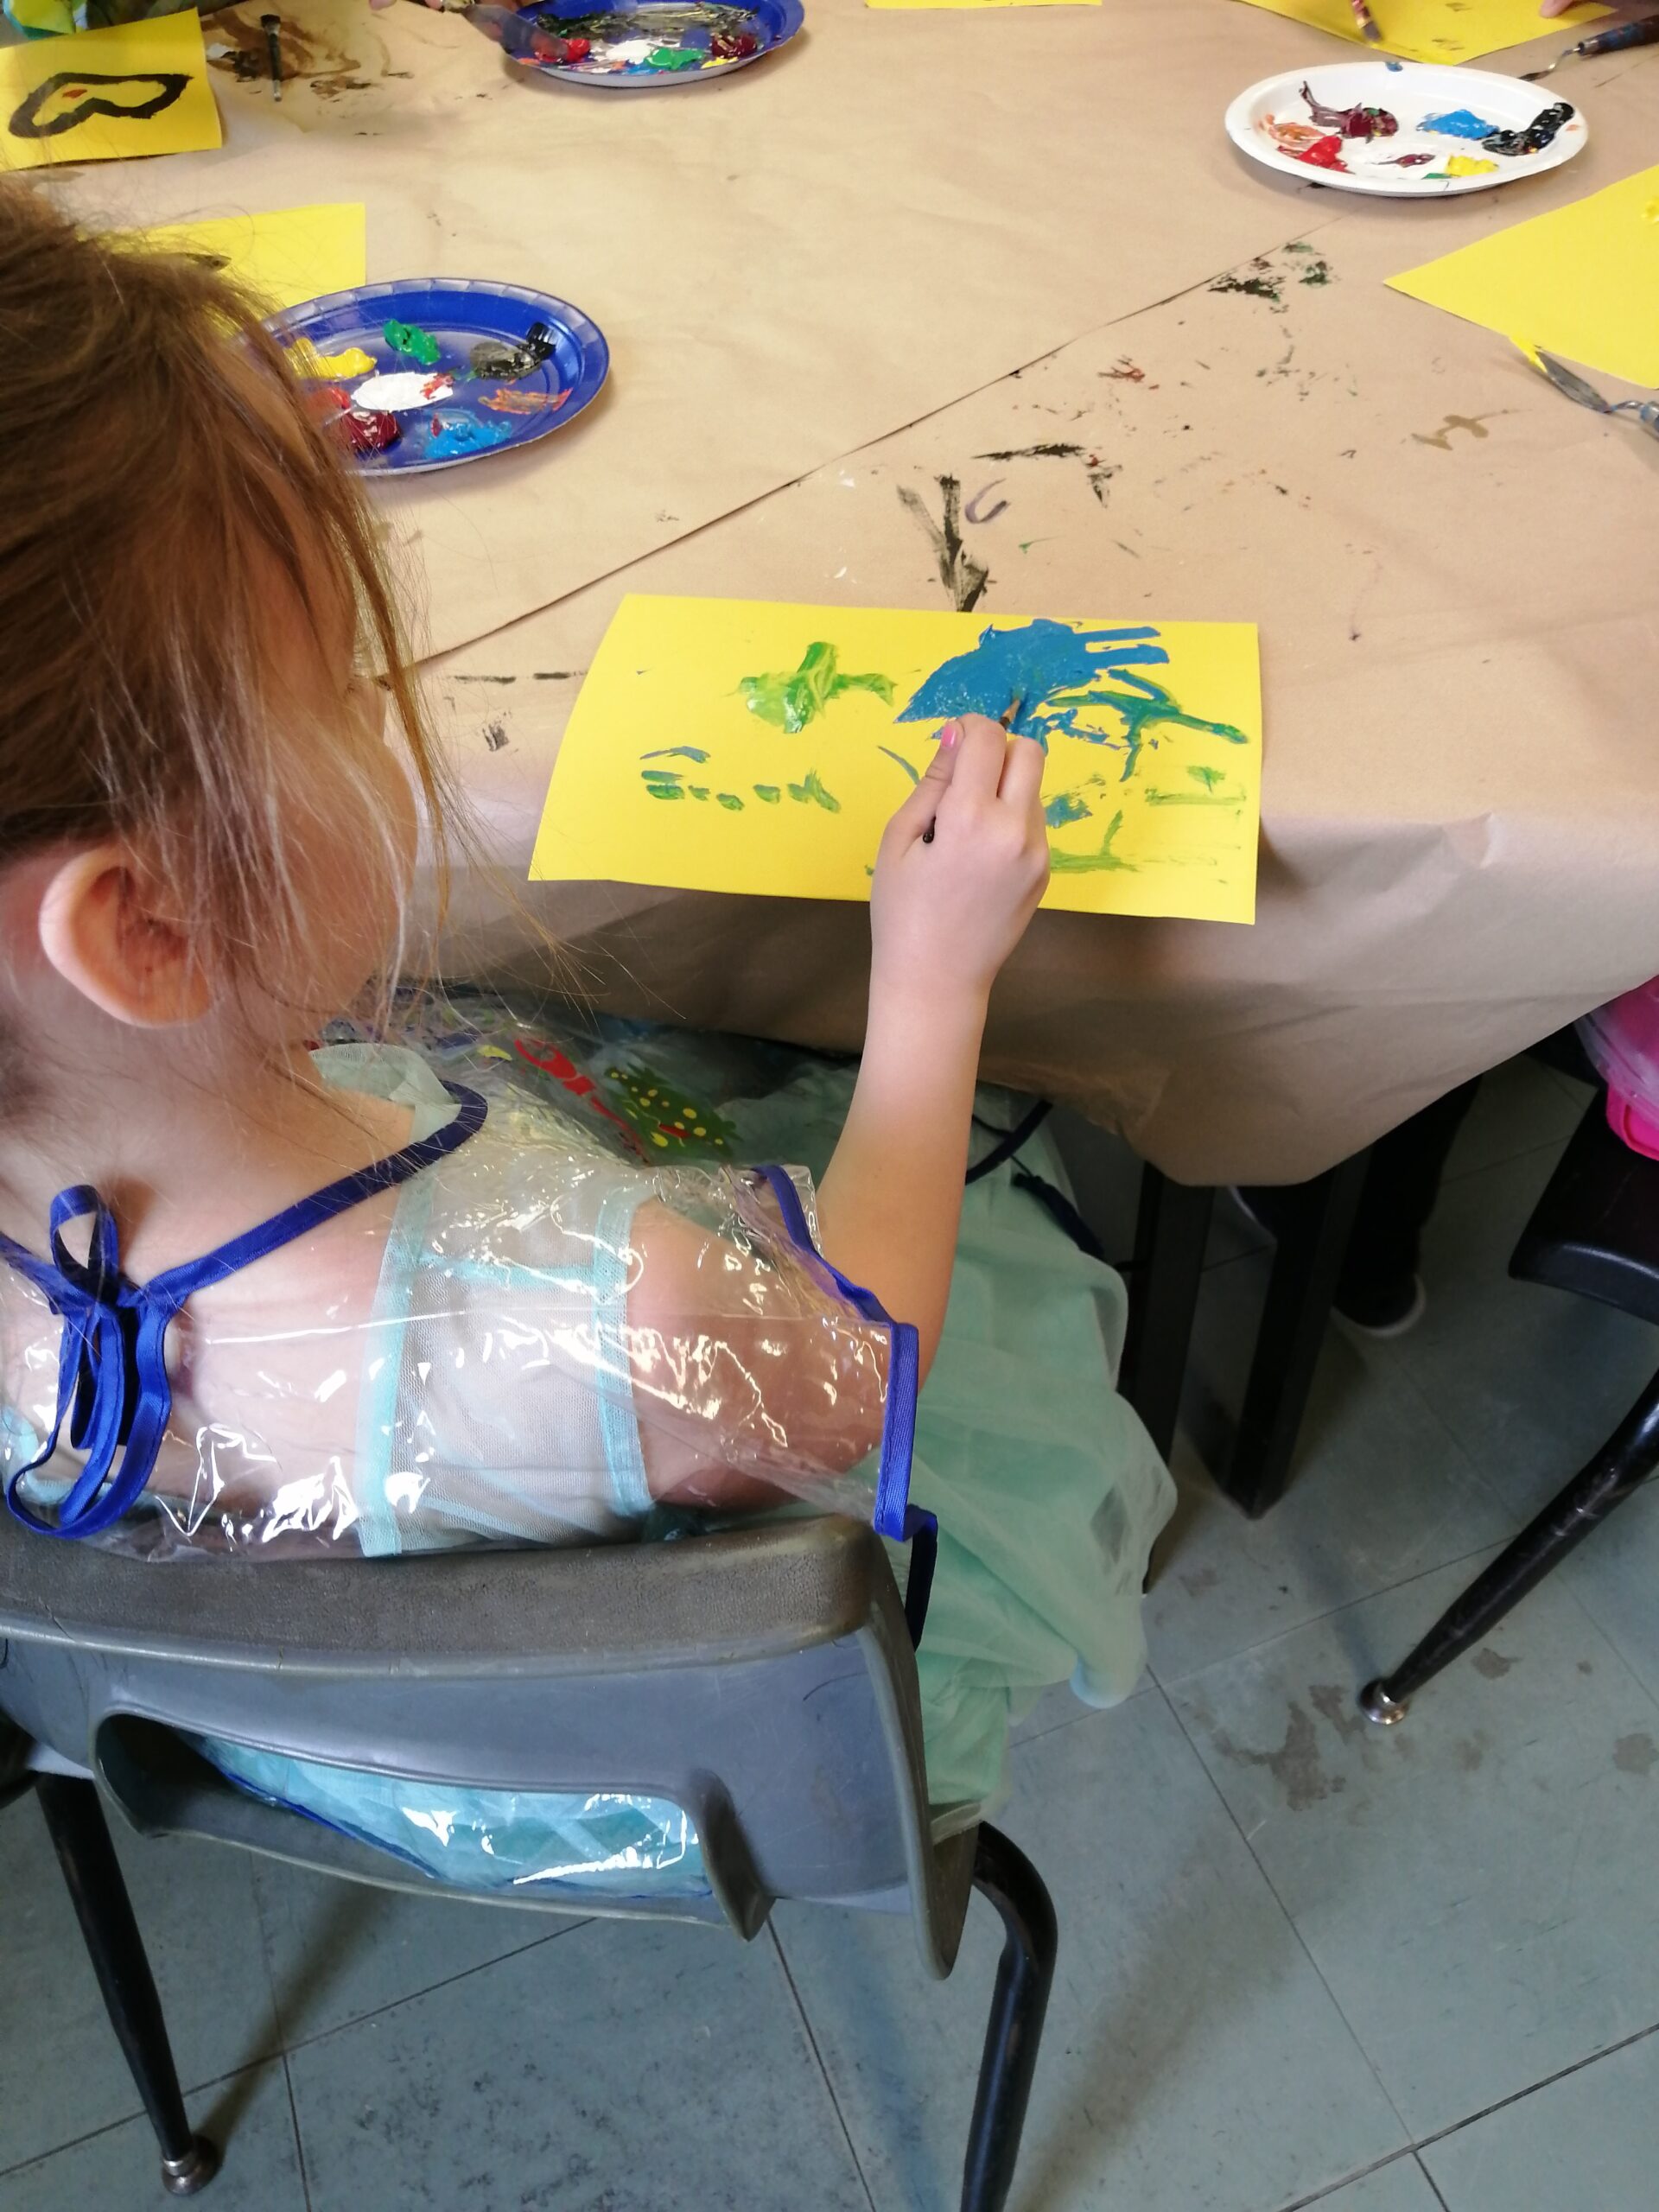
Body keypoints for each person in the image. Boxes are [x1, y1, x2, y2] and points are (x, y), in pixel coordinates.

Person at [0, 186, 1172, 1883]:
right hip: (667, 1766)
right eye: (338, 691)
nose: (381, 716)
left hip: (270, 1732)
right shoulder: (623, 1313)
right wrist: (931, 981)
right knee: (982, 1193)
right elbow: (862, 1377)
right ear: (151, 928)